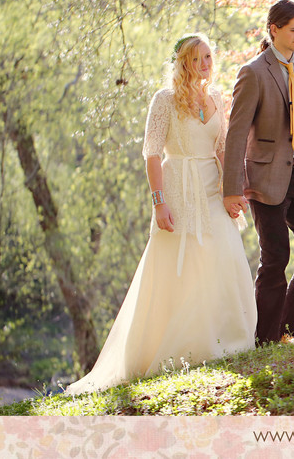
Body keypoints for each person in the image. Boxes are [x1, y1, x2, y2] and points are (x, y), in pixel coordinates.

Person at [66, 33, 257, 395]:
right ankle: (179, 348)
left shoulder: (216, 97)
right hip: (178, 187)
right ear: (183, 62)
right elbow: (152, 153)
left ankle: (229, 338)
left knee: (225, 252)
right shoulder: (164, 100)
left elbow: (223, 147)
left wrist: (234, 191)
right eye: (198, 58)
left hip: (211, 187)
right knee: (180, 264)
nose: (206, 64)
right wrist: (159, 202)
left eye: (209, 57)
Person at [223, 0, 294, 345]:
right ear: (274, 30)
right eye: (293, 30)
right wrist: (232, 188)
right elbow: (237, 132)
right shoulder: (253, 72)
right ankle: (266, 341)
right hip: (266, 180)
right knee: (276, 260)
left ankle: (290, 332)